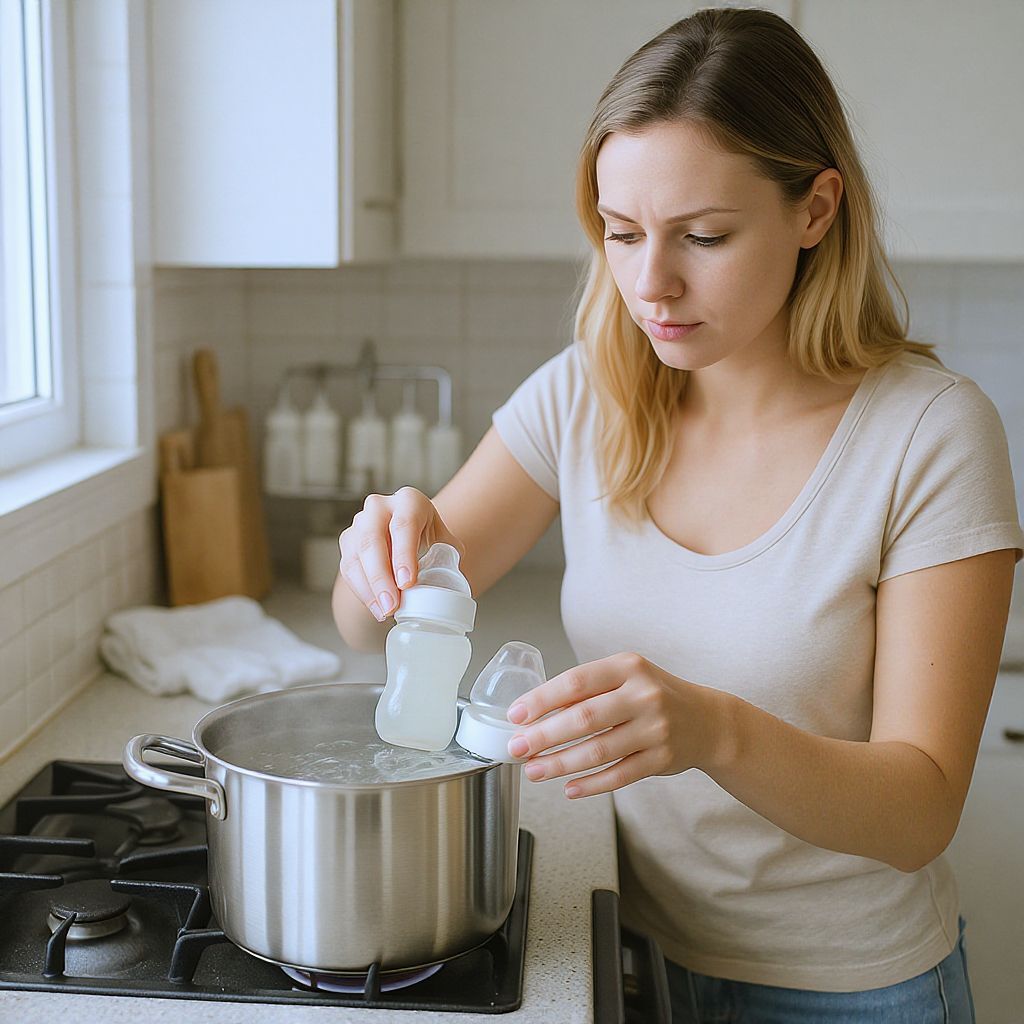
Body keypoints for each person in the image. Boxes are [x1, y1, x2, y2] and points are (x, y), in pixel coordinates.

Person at [332, 8, 1022, 1022]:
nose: (650, 284)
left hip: (848, 992)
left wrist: (709, 728)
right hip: (628, 954)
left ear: (815, 208)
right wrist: (381, 551)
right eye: (620, 234)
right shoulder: (587, 394)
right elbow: (365, 625)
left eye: (703, 236)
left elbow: (917, 809)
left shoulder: (930, 435)